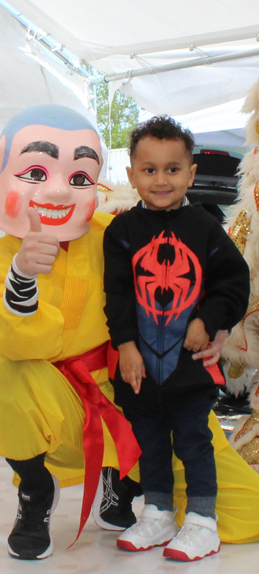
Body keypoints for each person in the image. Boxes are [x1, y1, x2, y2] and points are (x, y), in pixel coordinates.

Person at [0, 104, 259, 562]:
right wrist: (22, 274)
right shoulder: (26, 252)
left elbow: (227, 278)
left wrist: (215, 325)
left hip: (173, 376)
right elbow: (73, 319)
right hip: (94, 390)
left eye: (80, 178)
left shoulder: (152, 228)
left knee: (224, 482)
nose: (59, 190)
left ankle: (159, 500)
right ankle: (45, 491)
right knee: (12, 378)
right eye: (36, 172)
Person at [103, 116, 250, 561]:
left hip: (191, 365)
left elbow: (233, 281)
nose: (161, 179)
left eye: (172, 169)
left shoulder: (205, 228)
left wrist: (208, 320)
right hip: (139, 367)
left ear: (191, 174)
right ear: (131, 175)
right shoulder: (121, 233)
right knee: (149, 441)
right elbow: (119, 294)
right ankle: (159, 512)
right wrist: (126, 346)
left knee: (192, 441)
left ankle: (203, 521)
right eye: (149, 170)